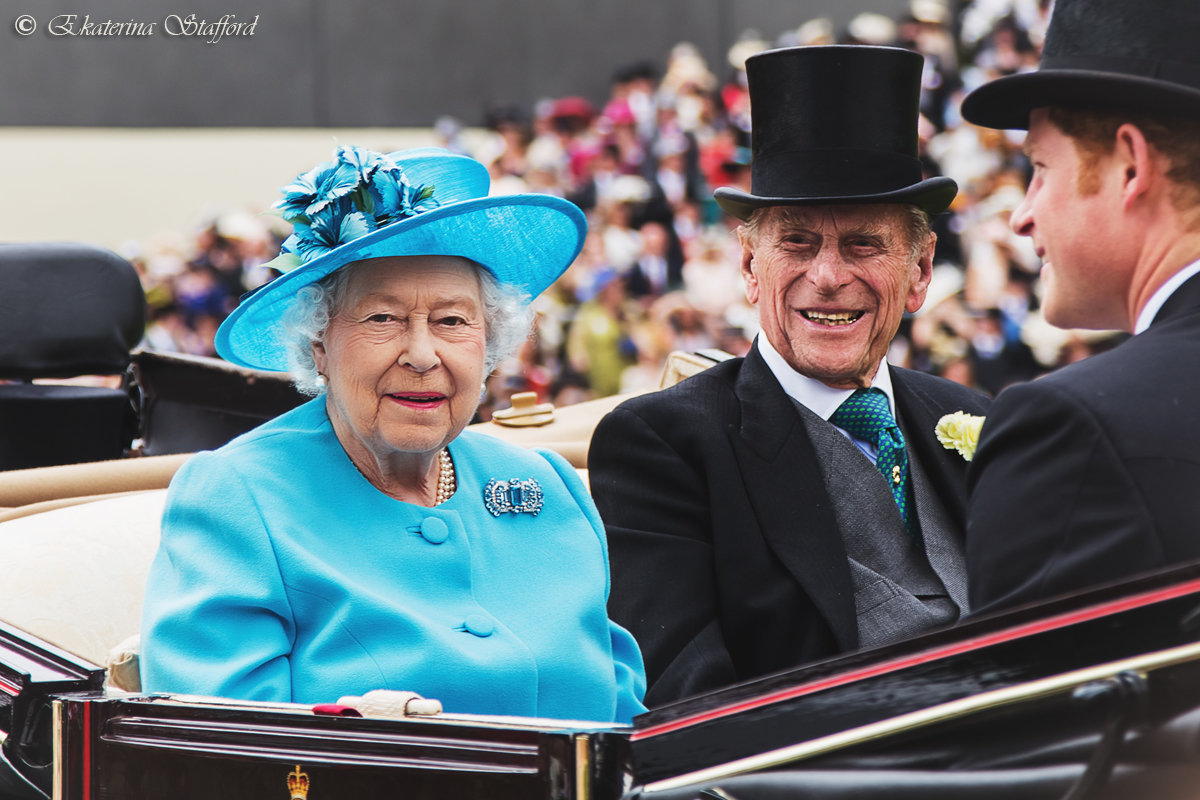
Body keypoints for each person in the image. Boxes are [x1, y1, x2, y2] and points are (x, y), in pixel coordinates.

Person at [140, 145, 646, 723]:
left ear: (490, 344)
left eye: (452, 321)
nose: (423, 354)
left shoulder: (548, 484)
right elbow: (210, 743)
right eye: (383, 319)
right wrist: (360, 743)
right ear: (318, 343)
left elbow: (631, 723)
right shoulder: (236, 497)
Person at [588, 46, 991, 707]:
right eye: (797, 243)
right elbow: (689, 707)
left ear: (919, 272)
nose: (828, 276)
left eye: (864, 243)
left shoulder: (979, 420)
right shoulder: (662, 444)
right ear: (750, 266)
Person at [959, 0, 1200, 613]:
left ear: (1129, 166)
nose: (1022, 214)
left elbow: (1022, 706)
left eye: (1040, 167)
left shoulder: (1072, 430)